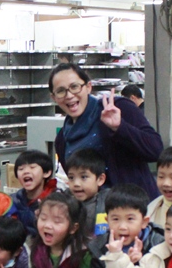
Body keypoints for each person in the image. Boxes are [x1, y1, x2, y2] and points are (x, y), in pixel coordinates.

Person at [51, 63, 162, 200]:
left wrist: (119, 127)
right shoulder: (62, 139)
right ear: (54, 97)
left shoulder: (118, 108)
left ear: (88, 87)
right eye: (61, 91)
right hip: (95, 216)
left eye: (74, 87)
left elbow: (155, 149)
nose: (69, 95)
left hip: (134, 211)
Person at [6, 150, 58, 237]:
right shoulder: (11, 201)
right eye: (21, 169)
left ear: (46, 173)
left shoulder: (55, 201)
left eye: (32, 167)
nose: (26, 171)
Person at [66, 148, 109, 240]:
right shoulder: (64, 202)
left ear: (100, 179)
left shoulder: (107, 203)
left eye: (84, 177)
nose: (76, 183)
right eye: (71, 177)